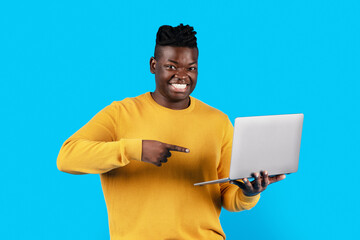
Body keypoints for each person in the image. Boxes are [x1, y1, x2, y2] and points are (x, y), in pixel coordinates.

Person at [57, 23, 285, 240]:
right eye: (172, 66)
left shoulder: (218, 121)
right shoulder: (120, 113)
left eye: (191, 68)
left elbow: (228, 194)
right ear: (153, 66)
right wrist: (136, 149)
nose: (182, 76)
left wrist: (250, 193)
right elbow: (67, 157)